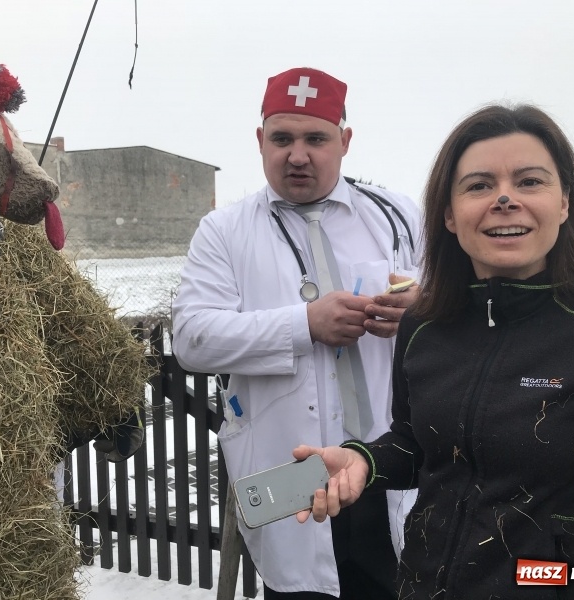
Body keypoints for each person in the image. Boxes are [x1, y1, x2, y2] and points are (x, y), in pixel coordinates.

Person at [294, 103, 574, 599]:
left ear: (564, 202)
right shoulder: (424, 324)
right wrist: (365, 461)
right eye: (478, 185)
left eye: (529, 181)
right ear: (450, 215)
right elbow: (418, 444)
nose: (504, 199)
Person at [172, 67, 423, 598]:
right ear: (260, 142)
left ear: (345, 141)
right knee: (299, 589)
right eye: (282, 139)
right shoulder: (225, 230)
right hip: (290, 471)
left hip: (386, 460)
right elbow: (192, 338)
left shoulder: (399, 217)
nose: (298, 155)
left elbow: (456, 307)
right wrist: (303, 325)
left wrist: (425, 310)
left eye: (316, 138)